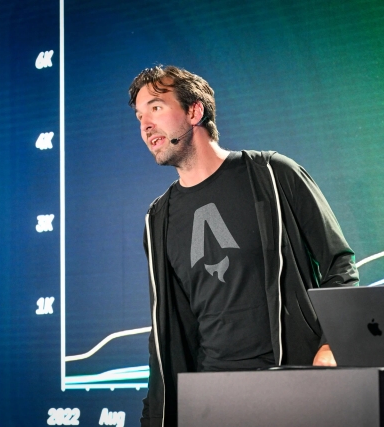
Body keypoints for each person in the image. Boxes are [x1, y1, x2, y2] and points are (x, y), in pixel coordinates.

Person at [129, 65, 359, 427]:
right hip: (211, 402)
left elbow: (339, 265)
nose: (145, 125)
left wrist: (331, 345)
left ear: (194, 111)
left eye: (156, 108)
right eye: (140, 116)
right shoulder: (158, 219)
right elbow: (169, 332)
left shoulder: (273, 174)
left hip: (294, 390)